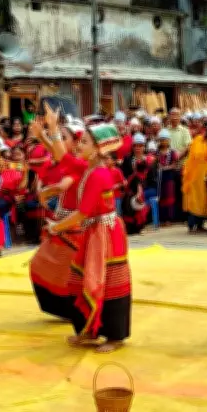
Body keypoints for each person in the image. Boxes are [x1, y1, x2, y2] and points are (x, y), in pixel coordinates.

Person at [44, 122, 131, 353]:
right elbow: (63, 157)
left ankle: (115, 336)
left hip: (106, 234)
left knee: (110, 283)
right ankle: (88, 331)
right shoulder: (88, 168)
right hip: (94, 232)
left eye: (84, 142)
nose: (79, 144)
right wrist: (52, 128)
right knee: (80, 279)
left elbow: (82, 212)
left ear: (98, 149)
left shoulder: (98, 175)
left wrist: (56, 227)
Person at [30, 117, 84, 321]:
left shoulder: (79, 163)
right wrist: (42, 135)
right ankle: (69, 309)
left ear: (76, 142)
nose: (59, 140)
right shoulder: (71, 159)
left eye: (64, 137)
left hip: (72, 224)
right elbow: (55, 150)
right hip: (66, 221)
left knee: (57, 268)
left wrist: (45, 192)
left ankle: (73, 309)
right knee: (49, 266)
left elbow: (63, 185)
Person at [182, 123, 207, 232]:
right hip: (194, 175)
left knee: (204, 200)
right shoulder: (198, 140)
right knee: (194, 200)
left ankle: (199, 225)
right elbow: (197, 154)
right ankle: (191, 225)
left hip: (205, 176)